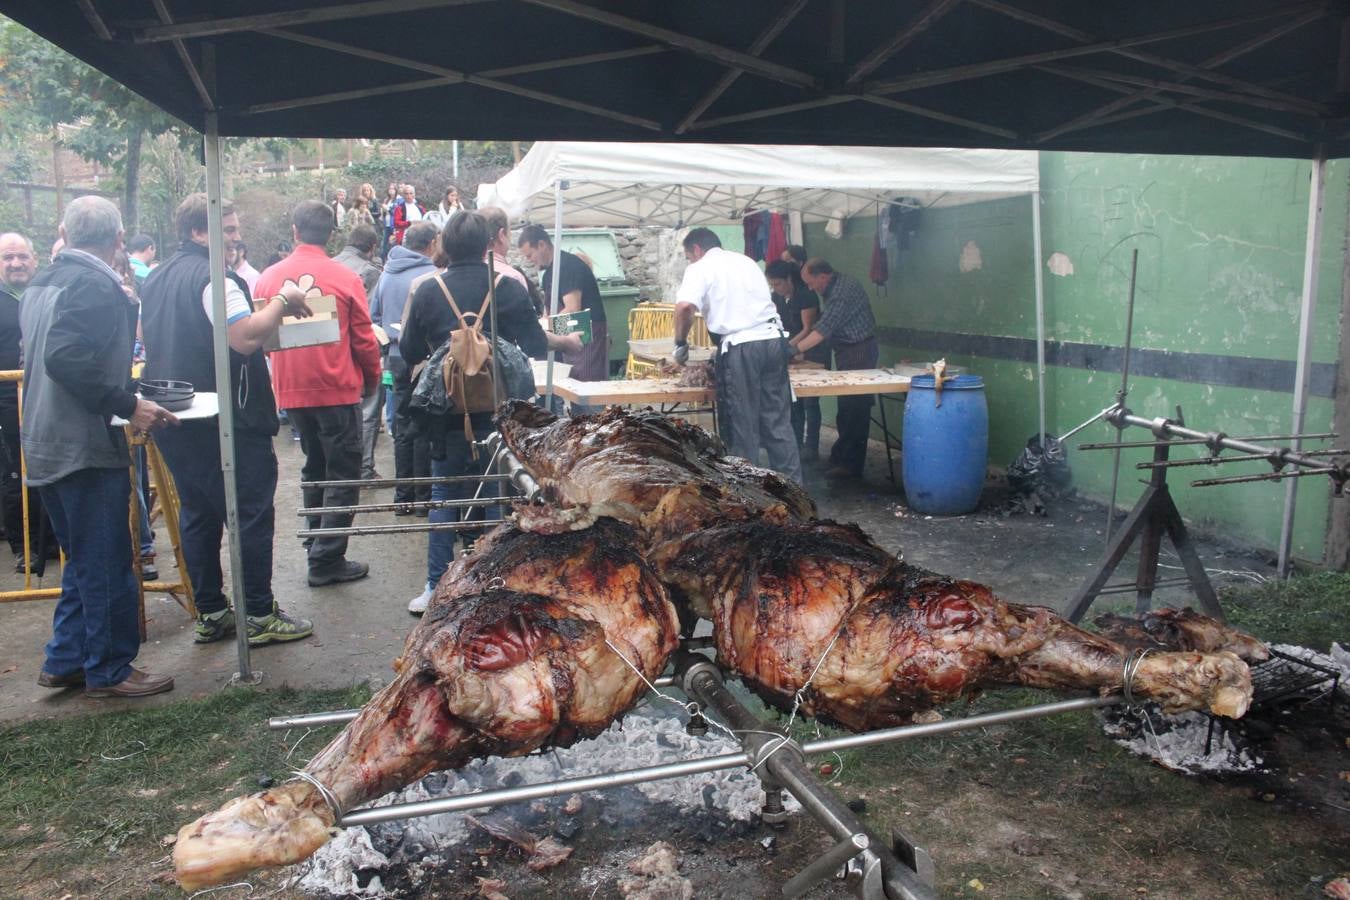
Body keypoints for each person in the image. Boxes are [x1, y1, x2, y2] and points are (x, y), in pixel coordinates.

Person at [140, 193, 316, 646]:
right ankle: (258, 612)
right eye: (230, 230)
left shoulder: (156, 278)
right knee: (251, 513)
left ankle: (212, 611)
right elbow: (242, 338)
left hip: (175, 417)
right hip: (228, 419)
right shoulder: (215, 277)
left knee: (198, 512)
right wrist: (282, 300)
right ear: (200, 232)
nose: (236, 239)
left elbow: (154, 334)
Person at [22, 196, 178, 698]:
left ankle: (66, 658)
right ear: (118, 240)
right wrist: (127, 403)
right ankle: (110, 667)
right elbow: (65, 357)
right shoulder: (94, 285)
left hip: (42, 440)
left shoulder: (43, 281)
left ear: (64, 232)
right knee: (108, 557)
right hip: (82, 443)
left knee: (82, 557)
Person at [400, 212, 549, 614]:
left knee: (444, 494)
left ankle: (436, 585)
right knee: (498, 494)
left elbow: (408, 352)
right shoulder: (508, 287)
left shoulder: (428, 290)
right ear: (489, 245)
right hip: (500, 413)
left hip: (445, 414)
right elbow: (535, 345)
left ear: (444, 245)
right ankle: (492, 581)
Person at [256, 201, 381, 586]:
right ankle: (326, 559)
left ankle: (316, 542)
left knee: (314, 464)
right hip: (337, 388)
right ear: (331, 234)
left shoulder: (268, 278)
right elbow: (363, 338)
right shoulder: (344, 277)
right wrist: (372, 379)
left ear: (294, 230)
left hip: (292, 390)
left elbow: (262, 336)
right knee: (342, 471)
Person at [672, 227, 801, 483]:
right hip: (774, 341)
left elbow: (685, 306)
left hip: (743, 347)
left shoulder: (700, 267)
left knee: (743, 425)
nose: (690, 261)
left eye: (688, 256)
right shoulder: (746, 262)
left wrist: (679, 342)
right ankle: (796, 494)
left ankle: (749, 499)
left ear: (697, 250)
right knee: (777, 423)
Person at [370, 220, 438, 511]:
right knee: (422, 426)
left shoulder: (386, 273)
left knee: (401, 426)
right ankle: (424, 498)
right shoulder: (430, 275)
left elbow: (373, 316)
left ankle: (402, 498)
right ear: (432, 244)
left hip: (395, 358)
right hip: (423, 360)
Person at [0, 232, 58, 573]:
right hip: (8, 401)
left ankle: (50, 541)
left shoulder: (43, 293)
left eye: (21, 256)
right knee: (14, 476)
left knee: (48, 470)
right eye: (8, 258)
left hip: (45, 398)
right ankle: (25, 547)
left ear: (34, 259)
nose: (16, 263)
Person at [794, 258, 879, 479]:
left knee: (855, 408)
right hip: (845, 350)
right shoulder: (833, 287)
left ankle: (851, 466)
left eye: (812, 283)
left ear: (823, 276)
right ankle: (840, 457)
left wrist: (792, 350)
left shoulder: (843, 291)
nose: (811, 288)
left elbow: (823, 329)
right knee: (845, 408)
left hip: (859, 350)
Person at [517, 224, 610, 389]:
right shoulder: (547, 275)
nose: (529, 260)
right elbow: (548, 310)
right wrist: (542, 326)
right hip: (570, 339)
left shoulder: (568, 266)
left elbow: (573, 308)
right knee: (572, 389)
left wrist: (545, 327)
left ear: (541, 245)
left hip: (588, 336)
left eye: (530, 255)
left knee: (588, 391)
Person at [333, 224, 386, 479]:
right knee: (368, 409)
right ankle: (363, 468)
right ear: (372, 247)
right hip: (358, 349)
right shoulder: (369, 271)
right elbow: (371, 319)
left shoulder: (330, 265)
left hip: (330, 354)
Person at [765, 258, 829, 463]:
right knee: (794, 401)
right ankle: (796, 445)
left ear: (789, 279)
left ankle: (811, 447)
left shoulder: (806, 295)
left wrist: (788, 348)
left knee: (811, 402)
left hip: (812, 351)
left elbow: (808, 329)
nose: (776, 288)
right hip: (791, 352)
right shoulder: (777, 297)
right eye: (772, 284)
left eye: (778, 283)